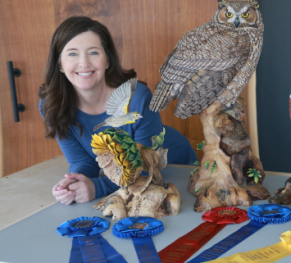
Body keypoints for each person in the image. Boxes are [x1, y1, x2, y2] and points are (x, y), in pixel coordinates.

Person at [39, 16, 197, 205]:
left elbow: (146, 168)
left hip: (174, 167)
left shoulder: (138, 97)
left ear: (107, 60)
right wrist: (74, 182)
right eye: (72, 54)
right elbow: (85, 160)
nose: (84, 63)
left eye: (93, 52)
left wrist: (97, 187)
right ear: (59, 64)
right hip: (127, 182)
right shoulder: (53, 105)